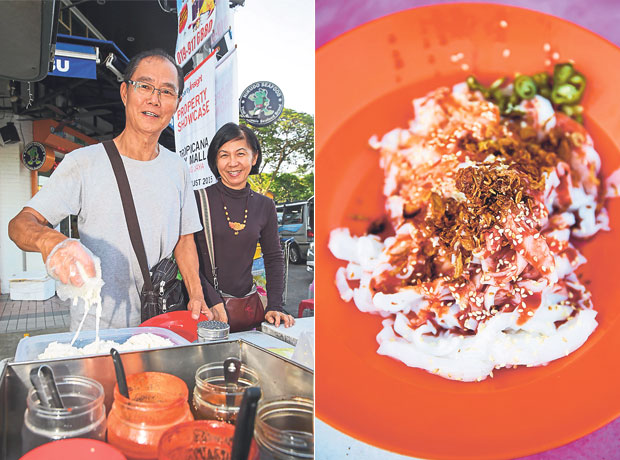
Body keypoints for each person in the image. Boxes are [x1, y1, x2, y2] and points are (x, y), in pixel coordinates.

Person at [8, 49, 213, 330]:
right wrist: (51, 242)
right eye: (145, 86)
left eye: (167, 91)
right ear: (125, 92)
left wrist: (197, 294)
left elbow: (184, 239)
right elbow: (20, 225)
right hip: (97, 331)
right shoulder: (84, 162)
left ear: (177, 103)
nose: (154, 98)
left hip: (161, 324)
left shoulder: (178, 168)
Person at [195, 122, 294, 328]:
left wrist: (275, 304)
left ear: (254, 157)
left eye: (240, 154)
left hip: (248, 310)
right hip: (206, 310)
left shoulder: (264, 205)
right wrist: (212, 301)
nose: (233, 163)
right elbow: (187, 260)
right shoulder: (198, 199)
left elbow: (274, 257)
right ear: (215, 159)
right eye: (224, 155)